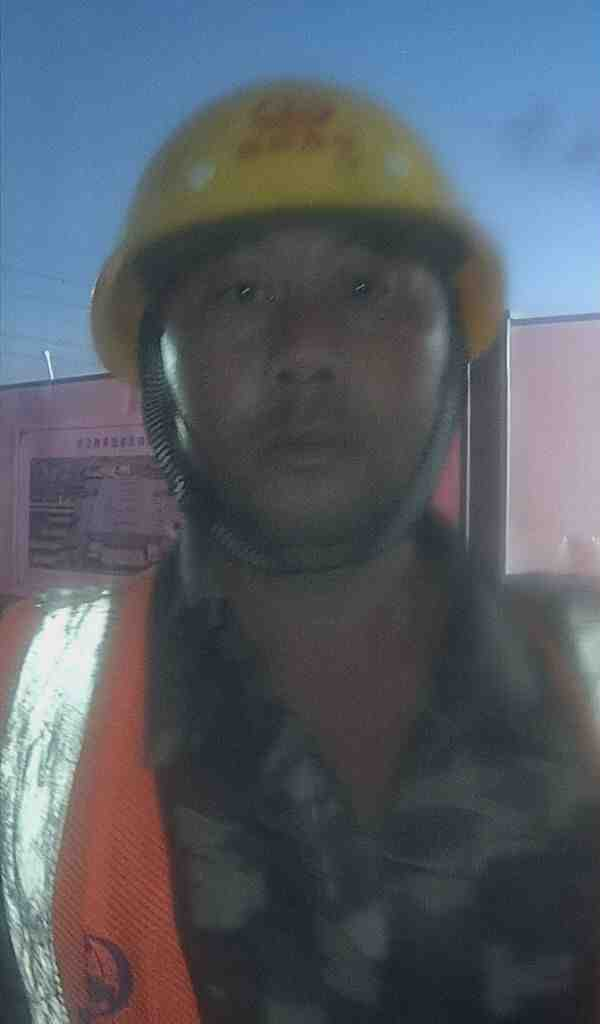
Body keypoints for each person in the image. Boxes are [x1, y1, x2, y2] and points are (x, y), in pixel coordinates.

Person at [1, 79, 599, 1023]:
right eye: (240, 291)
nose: (305, 349)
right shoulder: (20, 696)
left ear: (450, 346)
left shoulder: (586, 674)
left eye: (364, 288)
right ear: (159, 363)